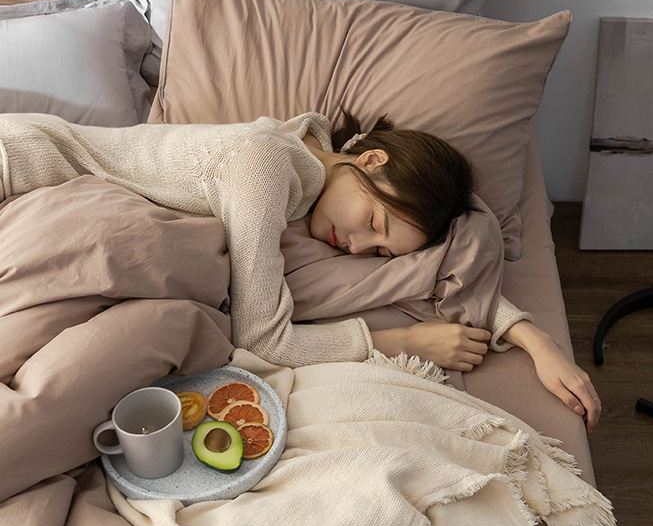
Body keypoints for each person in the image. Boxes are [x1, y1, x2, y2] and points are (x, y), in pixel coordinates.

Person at [0, 109, 600, 431]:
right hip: (19, 167)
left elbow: (442, 261)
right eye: (375, 223)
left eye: (380, 252)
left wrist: (531, 337)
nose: (360, 248)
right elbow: (260, 340)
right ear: (368, 158)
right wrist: (399, 342)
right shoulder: (265, 166)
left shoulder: (314, 188)